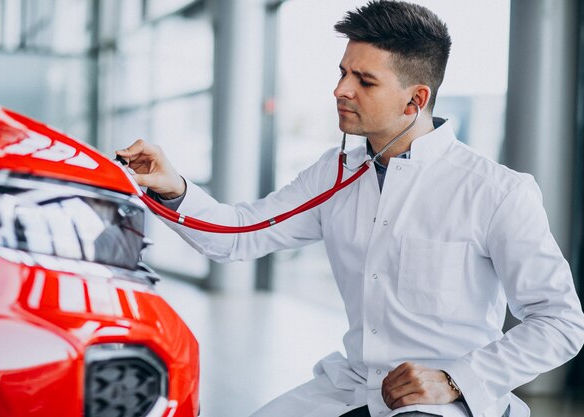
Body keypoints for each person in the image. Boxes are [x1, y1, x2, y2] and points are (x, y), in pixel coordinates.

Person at [116, 1, 584, 416]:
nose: (341, 90)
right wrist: (173, 186)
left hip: (443, 400)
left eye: (364, 80)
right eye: (343, 72)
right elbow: (240, 234)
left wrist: (456, 379)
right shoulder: (334, 174)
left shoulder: (496, 192)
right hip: (352, 386)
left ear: (414, 100)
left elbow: (561, 323)